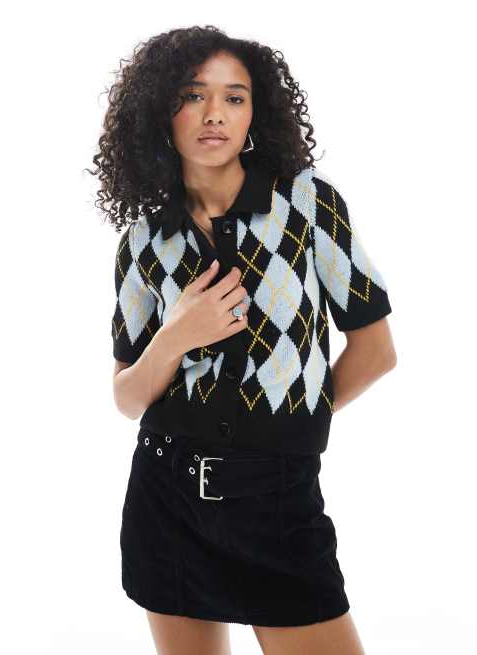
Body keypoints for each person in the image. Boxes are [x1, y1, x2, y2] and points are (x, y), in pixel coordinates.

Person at [88, 25, 396, 655]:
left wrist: (287, 431)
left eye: (234, 97)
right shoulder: (143, 241)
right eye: (193, 95)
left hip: (278, 498)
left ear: (256, 113)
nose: (214, 114)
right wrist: (176, 336)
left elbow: (375, 350)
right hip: (165, 496)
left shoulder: (307, 205)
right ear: (160, 109)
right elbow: (127, 396)